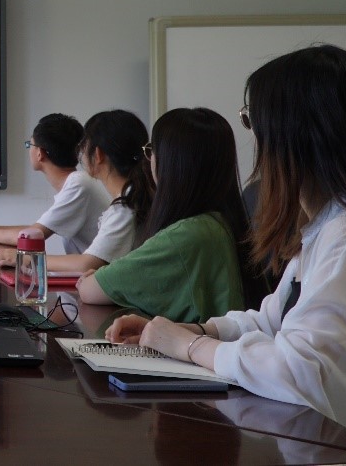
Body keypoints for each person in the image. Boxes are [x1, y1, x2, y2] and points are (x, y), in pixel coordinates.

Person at [106, 45, 346, 459]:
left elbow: (301, 370)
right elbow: (274, 319)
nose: (255, 140)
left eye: (251, 121)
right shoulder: (331, 223)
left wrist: (188, 348)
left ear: (294, 133)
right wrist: (195, 331)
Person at [78, 107, 266, 323]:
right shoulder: (220, 222)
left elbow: (91, 290)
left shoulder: (186, 235)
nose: (149, 160)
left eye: (151, 151)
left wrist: (95, 278)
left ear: (170, 162)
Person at [0, 110, 154, 272]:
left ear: (98, 154)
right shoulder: (132, 197)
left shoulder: (123, 207)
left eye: (84, 146)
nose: (80, 153)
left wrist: (26, 259)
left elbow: (88, 263)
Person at [0, 113, 108, 253]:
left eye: (30, 145)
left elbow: (32, 236)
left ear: (40, 153)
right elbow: (33, 230)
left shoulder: (79, 185)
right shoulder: (77, 182)